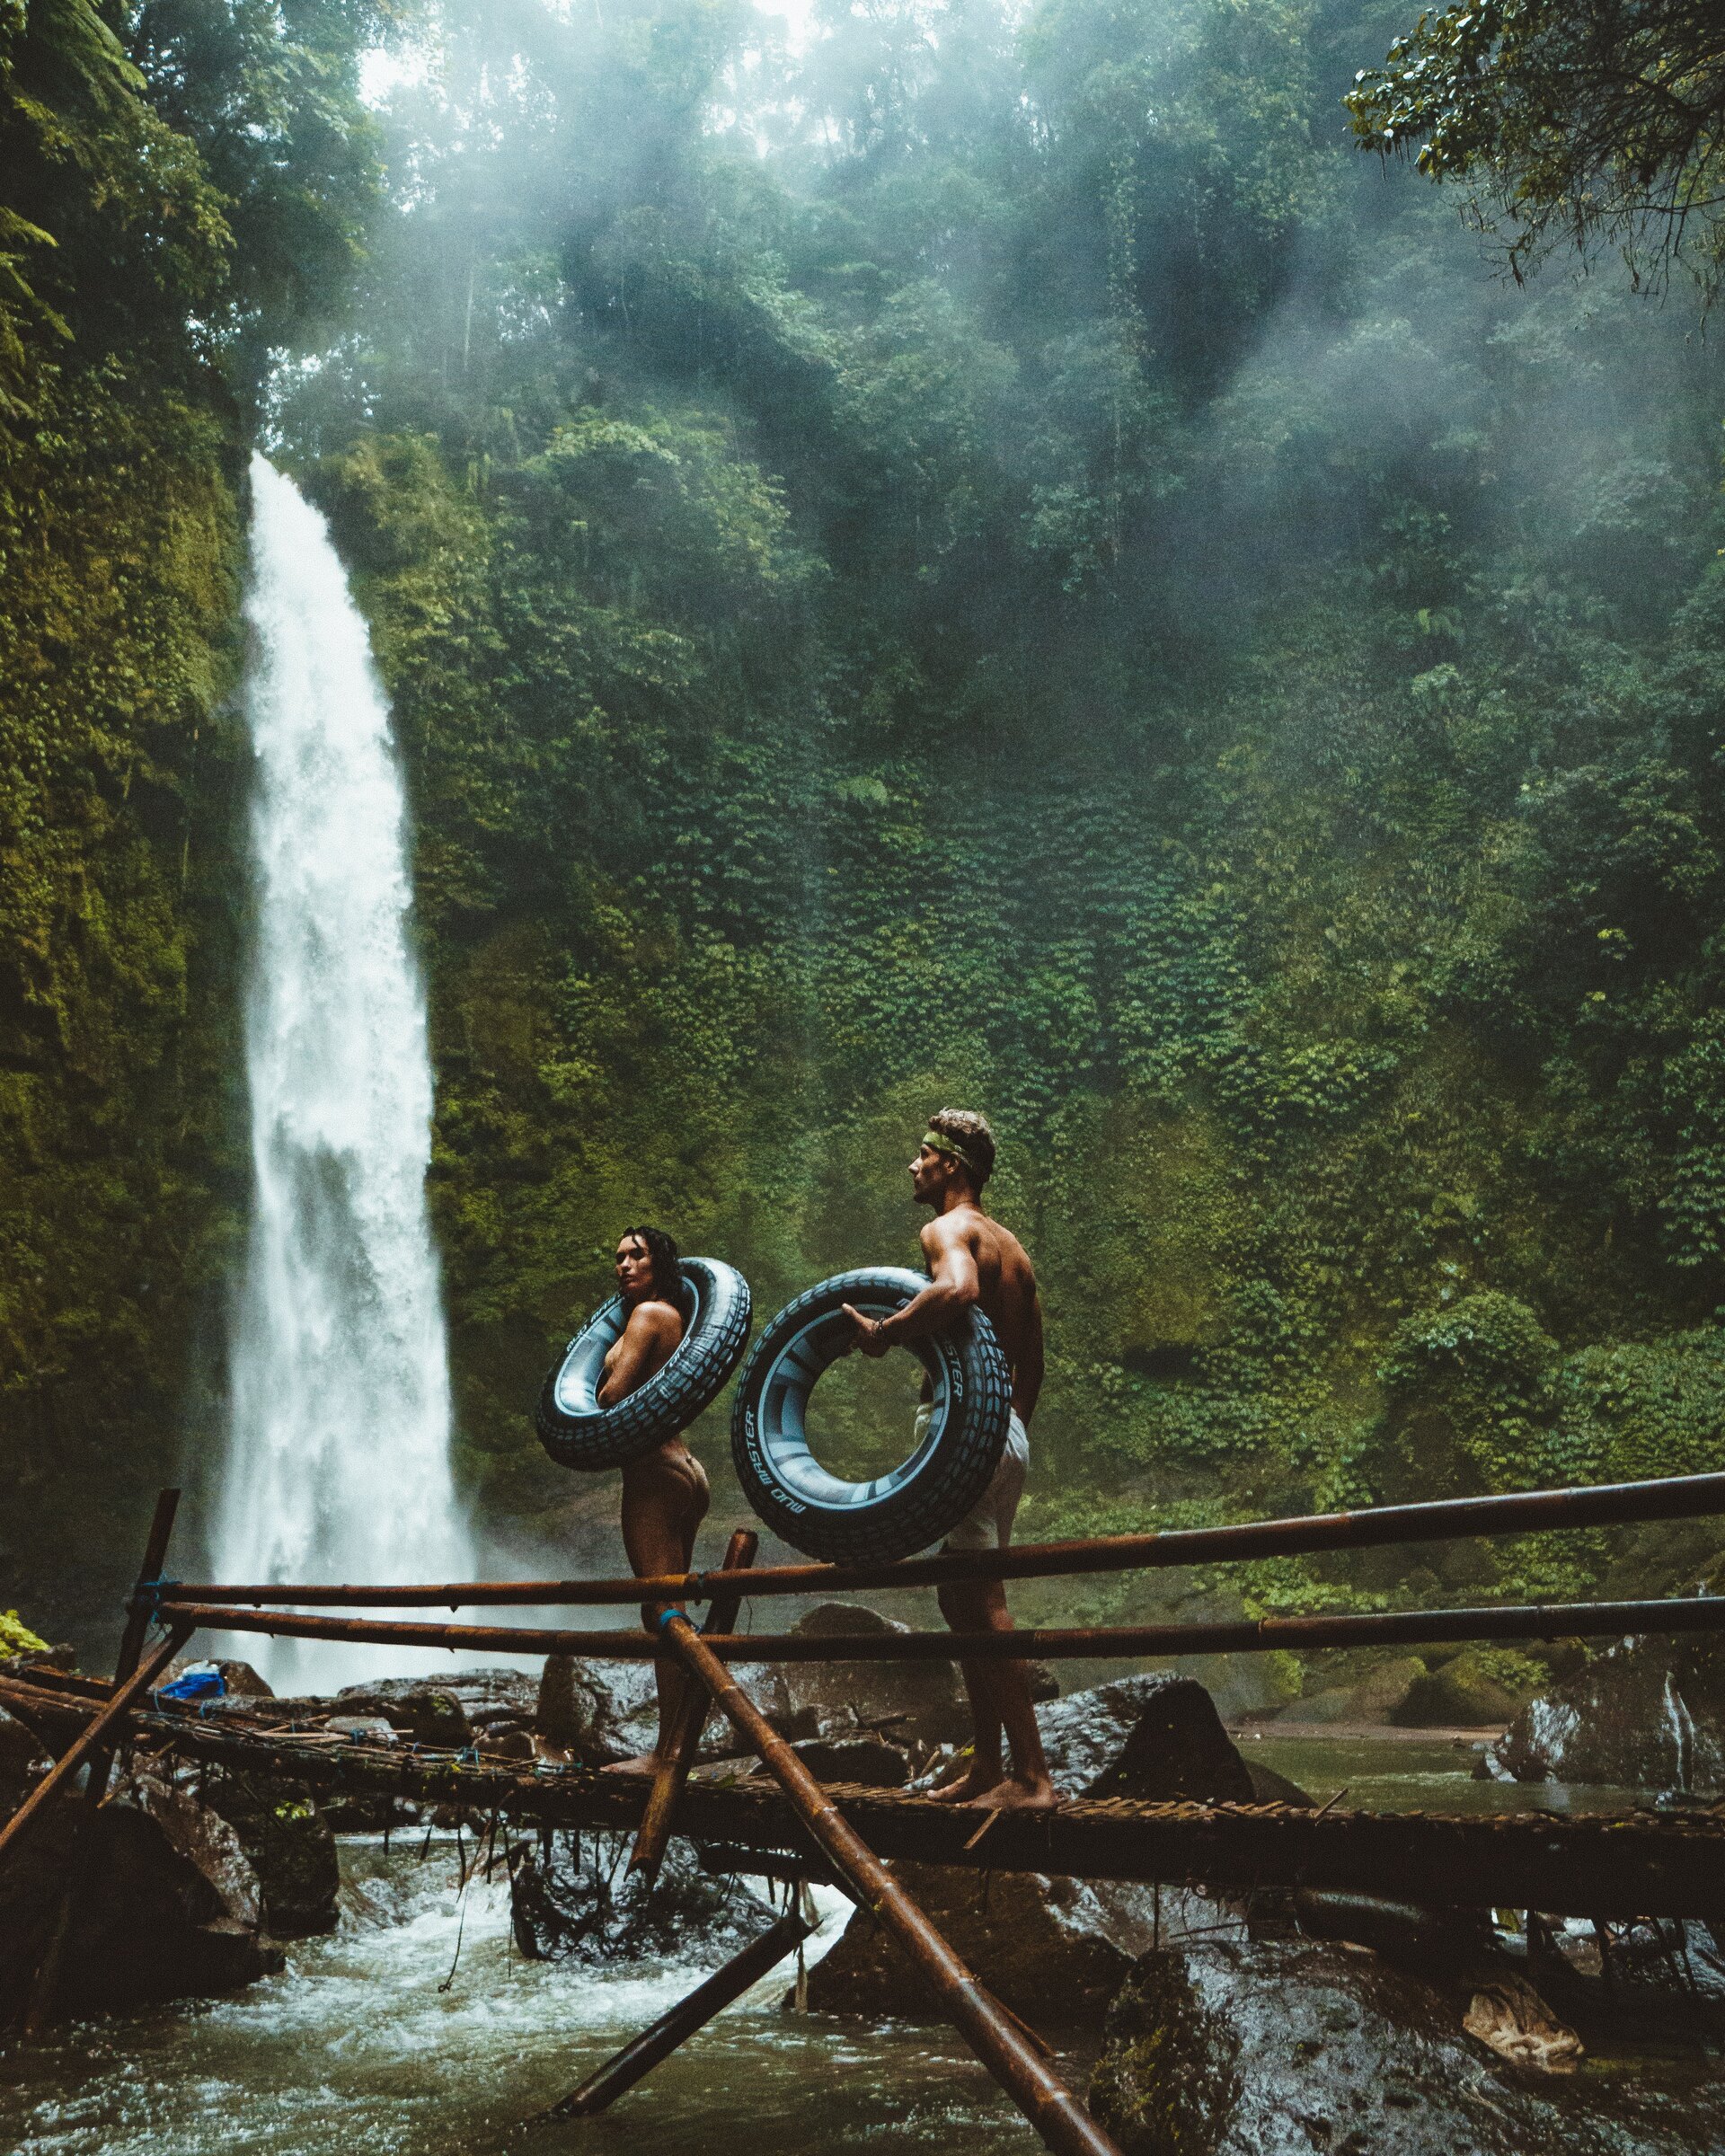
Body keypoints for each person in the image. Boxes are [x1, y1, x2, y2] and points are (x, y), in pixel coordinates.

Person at [843, 1109, 1056, 1811]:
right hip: (1004, 1433)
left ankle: (1032, 1778)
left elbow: (958, 1290)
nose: (912, 1167)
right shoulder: (1015, 1250)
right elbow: (1033, 1363)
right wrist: (1002, 1428)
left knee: (979, 1597)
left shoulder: (948, 1230)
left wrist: (886, 1332)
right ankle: (991, 1766)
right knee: (959, 1592)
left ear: (950, 1166)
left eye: (921, 1157)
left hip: (970, 1431)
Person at [596, 1224, 711, 1777]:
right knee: (670, 1608)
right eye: (618, 1257)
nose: (623, 1265)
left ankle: (668, 1753)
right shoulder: (673, 1318)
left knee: (665, 1612)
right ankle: (680, 1738)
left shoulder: (646, 1317)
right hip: (686, 1468)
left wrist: (600, 1383)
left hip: (652, 1475)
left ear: (659, 1265)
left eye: (635, 1256)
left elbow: (614, 1397)